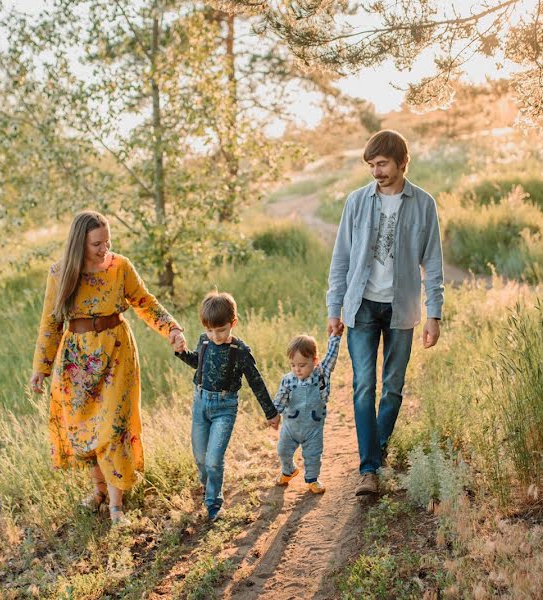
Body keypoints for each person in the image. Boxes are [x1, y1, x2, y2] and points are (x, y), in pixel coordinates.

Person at [29, 211, 187, 525]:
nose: (105, 248)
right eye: (96, 244)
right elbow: (51, 322)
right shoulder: (60, 273)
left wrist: (172, 328)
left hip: (117, 353)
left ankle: (116, 505)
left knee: (114, 426)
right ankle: (99, 490)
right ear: (79, 244)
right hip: (77, 359)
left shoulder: (119, 267)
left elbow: (144, 301)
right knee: (83, 428)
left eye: (108, 241)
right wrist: (41, 368)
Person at [326, 130, 445, 497]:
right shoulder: (356, 202)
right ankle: (369, 469)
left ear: (402, 163)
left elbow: (434, 263)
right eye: (371, 165)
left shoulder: (423, 204)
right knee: (364, 386)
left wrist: (434, 314)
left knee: (392, 388)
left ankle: (374, 457)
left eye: (382, 164)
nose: (376, 172)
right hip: (360, 306)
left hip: (401, 308)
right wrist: (335, 307)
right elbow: (341, 258)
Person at [175, 291, 281, 521]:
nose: (215, 336)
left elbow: (256, 381)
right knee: (200, 458)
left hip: (224, 407)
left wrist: (270, 412)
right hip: (200, 403)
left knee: (213, 459)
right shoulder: (204, 341)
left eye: (221, 330)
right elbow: (198, 363)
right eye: (210, 330)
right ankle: (208, 484)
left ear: (233, 323)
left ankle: (214, 503)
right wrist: (181, 352)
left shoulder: (240, 351)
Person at [273, 332, 341, 494]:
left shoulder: (321, 374)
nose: (297, 369)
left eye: (302, 365)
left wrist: (335, 337)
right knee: (283, 450)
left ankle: (312, 480)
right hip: (291, 427)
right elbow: (280, 398)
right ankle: (289, 470)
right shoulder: (288, 380)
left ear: (315, 361)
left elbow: (331, 356)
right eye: (293, 365)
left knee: (313, 455)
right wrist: (274, 415)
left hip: (313, 428)